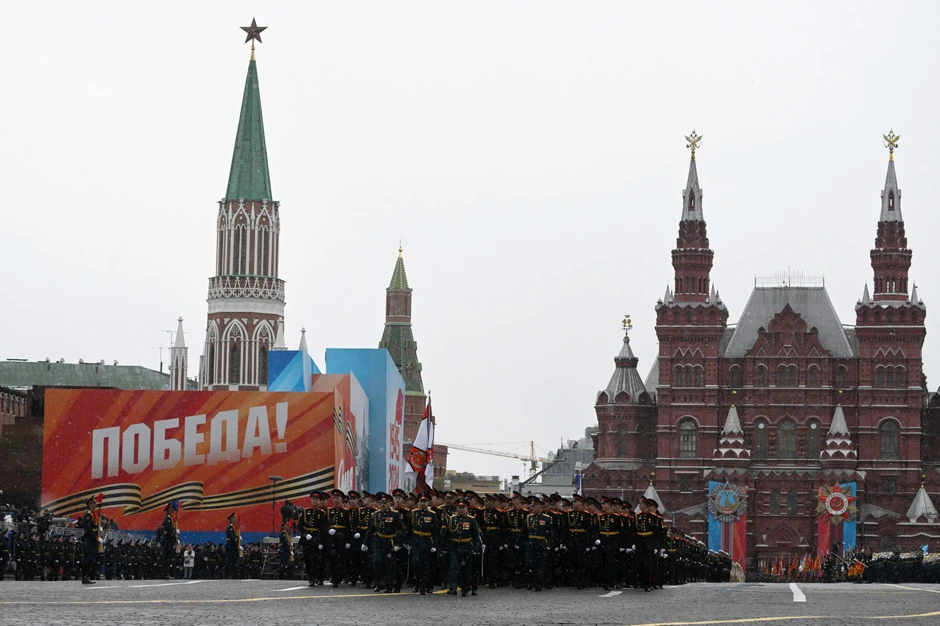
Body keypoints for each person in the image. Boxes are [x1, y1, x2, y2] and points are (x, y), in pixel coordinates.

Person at [363, 492, 405, 593]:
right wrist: (365, 542)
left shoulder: (395, 514)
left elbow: (400, 529)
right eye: (381, 502)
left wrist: (398, 544)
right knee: (377, 562)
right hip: (378, 541)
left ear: (390, 503)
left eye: (385, 503)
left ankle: (389, 585)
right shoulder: (375, 515)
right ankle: (378, 583)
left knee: (389, 565)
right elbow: (371, 529)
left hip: (390, 541)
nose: (382, 505)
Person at [444, 498, 483, 596]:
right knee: (454, 567)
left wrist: (476, 548)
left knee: (466, 568)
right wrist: (444, 546)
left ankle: (465, 588)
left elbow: (475, 535)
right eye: (459, 507)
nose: (461, 509)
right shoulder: (452, 519)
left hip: (467, 546)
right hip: (455, 546)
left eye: (463, 507)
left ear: (467, 508)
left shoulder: (471, 520)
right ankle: (453, 587)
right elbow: (446, 534)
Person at [409, 493, 439, 595]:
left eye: (425, 501)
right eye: (421, 501)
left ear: (428, 503)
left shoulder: (432, 514)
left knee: (426, 566)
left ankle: (425, 586)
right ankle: (417, 583)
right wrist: (407, 541)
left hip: (427, 542)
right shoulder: (413, 513)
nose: (423, 503)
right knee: (415, 564)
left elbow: (435, 531)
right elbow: (409, 529)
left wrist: (435, 545)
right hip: (416, 541)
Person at [299, 491, 327, 586]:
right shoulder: (305, 511)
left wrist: (320, 541)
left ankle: (313, 578)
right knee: (307, 559)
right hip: (306, 539)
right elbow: (300, 525)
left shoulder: (322, 513)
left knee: (314, 559)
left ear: (319, 501)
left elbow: (323, 528)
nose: (315, 501)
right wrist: (305, 534)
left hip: (316, 538)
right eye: (313, 499)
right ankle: (311, 576)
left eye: (317, 500)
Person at [76, 494, 103, 584]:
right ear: (90, 504)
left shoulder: (93, 514)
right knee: (86, 559)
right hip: (89, 540)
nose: (95, 504)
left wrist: (98, 531)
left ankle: (87, 577)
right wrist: (96, 537)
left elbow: (94, 527)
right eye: (94, 503)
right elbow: (88, 529)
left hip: (92, 540)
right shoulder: (88, 515)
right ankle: (84, 577)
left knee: (91, 559)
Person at [224, 512, 241, 579]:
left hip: (233, 546)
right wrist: (236, 543)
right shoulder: (230, 528)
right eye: (234, 518)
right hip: (231, 546)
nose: (235, 519)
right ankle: (228, 575)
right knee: (230, 561)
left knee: (234, 561)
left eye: (235, 518)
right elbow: (232, 538)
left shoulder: (233, 527)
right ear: (231, 519)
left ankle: (234, 575)